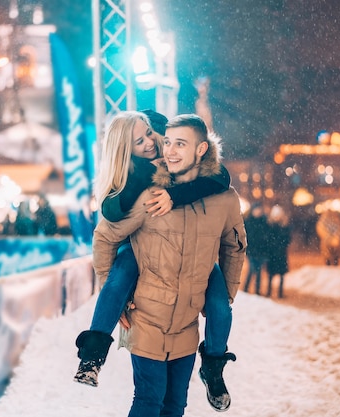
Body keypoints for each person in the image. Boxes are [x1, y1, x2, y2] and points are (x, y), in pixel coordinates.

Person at [74, 110, 234, 406]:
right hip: (137, 246)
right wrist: (148, 174)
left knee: (220, 307)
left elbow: (220, 176)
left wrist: (176, 194)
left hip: (189, 252)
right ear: (126, 151)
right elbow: (111, 214)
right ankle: (92, 356)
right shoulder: (134, 173)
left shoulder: (167, 138)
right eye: (140, 141)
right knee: (122, 272)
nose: (151, 141)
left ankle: (213, 366)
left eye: (149, 132)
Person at [265, 205, 291, 298]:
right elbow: (267, 239)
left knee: (281, 274)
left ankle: (280, 293)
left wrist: (281, 245)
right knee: (271, 274)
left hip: (281, 253)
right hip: (272, 253)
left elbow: (288, 239)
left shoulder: (284, 226)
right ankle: (269, 291)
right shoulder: (270, 225)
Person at [243, 203, 270, 294]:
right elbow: (246, 236)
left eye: (259, 210)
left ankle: (257, 290)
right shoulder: (248, 222)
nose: (258, 212)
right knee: (252, 269)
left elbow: (267, 236)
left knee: (258, 271)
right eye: (257, 210)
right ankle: (246, 288)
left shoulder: (264, 222)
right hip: (251, 250)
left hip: (261, 250)